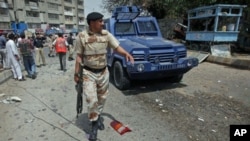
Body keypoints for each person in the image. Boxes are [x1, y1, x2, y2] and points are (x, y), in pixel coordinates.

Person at [74, 12, 134, 141]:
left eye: (102, 21)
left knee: (102, 98)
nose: (103, 23)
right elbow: (79, 56)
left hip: (103, 72)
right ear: (92, 23)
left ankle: (97, 115)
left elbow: (117, 47)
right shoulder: (81, 36)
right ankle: (94, 125)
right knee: (91, 99)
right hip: (88, 73)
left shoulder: (106, 35)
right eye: (100, 21)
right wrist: (76, 74)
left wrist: (126, 54)